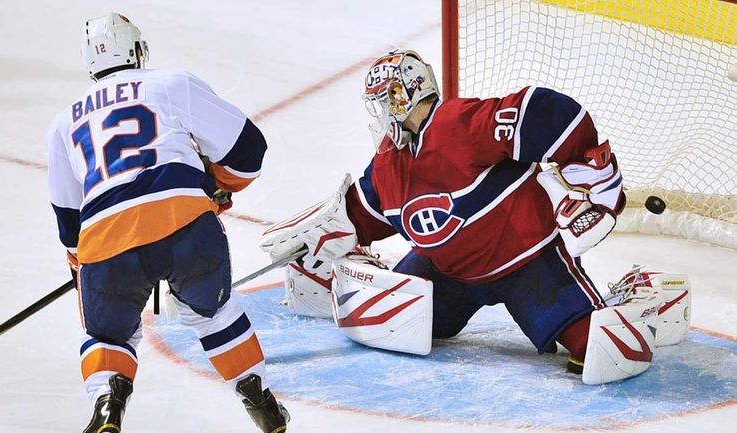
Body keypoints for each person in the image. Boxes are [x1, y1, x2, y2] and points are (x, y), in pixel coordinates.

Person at [260, 49, 667, 384]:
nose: (381, 113)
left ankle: (639, 294)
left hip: (527, 264)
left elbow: (545, 112)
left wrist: (594, 171)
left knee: (600, 351)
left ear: (404, 96)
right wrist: (319, 241)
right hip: (445, 272)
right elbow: (362, 213)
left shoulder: (459, 125)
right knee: (385, 324)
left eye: (385, 100)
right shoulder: (389, 165)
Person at [47, 13, 289, 433]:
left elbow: (70, 225)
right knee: (214, 314)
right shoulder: (170, 82)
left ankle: (108, 402)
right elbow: (250, 151)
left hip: (106, 240)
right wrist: (213, 185)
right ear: (137, 49)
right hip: (184, 222)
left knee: (108, 336)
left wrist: (87, 268)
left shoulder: (63, 122)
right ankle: (258, 395)